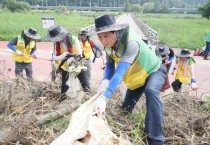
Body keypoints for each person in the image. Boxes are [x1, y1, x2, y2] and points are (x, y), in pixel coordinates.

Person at [91, 14, 167, 145]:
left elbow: (120, 72)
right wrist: (105, 81)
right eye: (100, 36)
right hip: (137, 78)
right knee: (125, 109)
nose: (103, 40)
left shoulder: (131, 43)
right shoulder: (109, 45)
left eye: (106, 35)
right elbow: (110, 66)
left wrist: (105, 97)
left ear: (115, 32)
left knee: (151, 91)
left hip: (154, 71)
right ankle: (125, 129)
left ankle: (156, 139)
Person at [45, 25, 83, 102]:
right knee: (64, 84)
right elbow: (53, 57)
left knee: (75, 83)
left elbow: (80, 55)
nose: (57, 40)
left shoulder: (73, 39)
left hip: (75, 66)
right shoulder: (56, 44)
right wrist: (62, 56)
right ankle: (63, 98)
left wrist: (72, 57)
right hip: (64, 66)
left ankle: (75, 99)